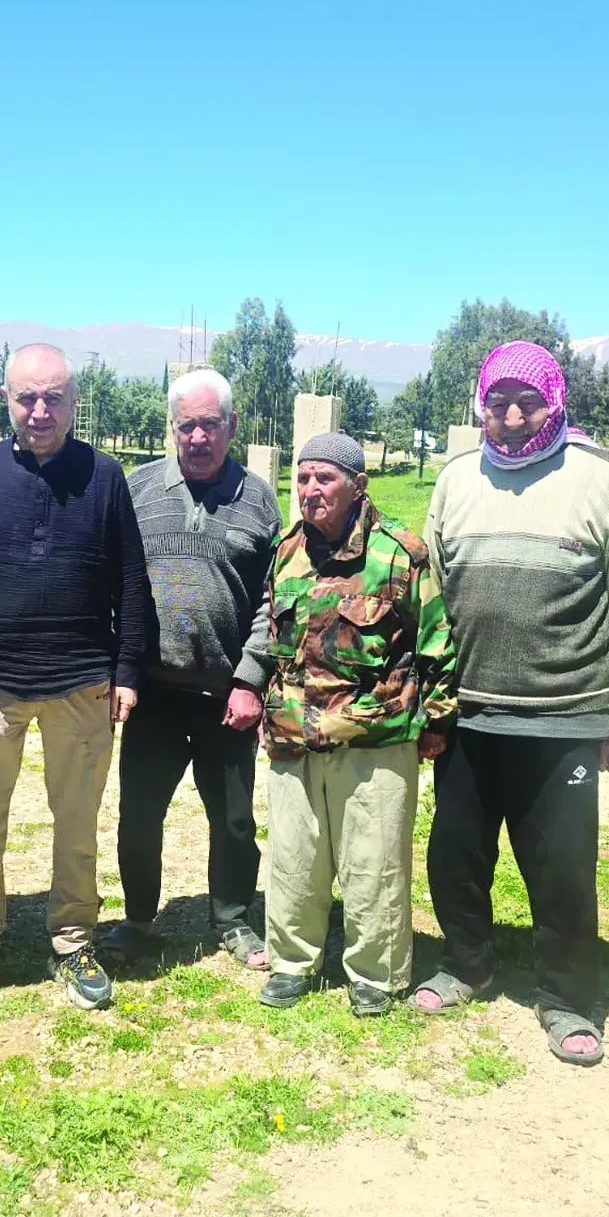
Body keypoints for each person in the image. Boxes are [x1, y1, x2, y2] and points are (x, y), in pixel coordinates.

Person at [411, 340, 609, 1068]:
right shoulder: (456, 478)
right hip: (468, 708)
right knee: (455, 854)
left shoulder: (600, 476)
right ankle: (466, 964)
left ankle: (570, 1000)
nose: (512, 417)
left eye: (527, 402)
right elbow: (431, 592)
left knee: (561, 865)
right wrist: (426, 698)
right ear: (480, 405)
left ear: (555, 403)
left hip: (565, 711)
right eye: (497, 401)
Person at [0, 343, 151, 1018]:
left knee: (76, 825)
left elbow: (131, 584)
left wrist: (127, 671)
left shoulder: (105, 476)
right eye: (27, 397)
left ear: (74, 401)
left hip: (80, 685)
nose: (40, 410)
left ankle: (74, 939)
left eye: (53, 397)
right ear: (6, 401)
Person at [259, 433, 456, 1015]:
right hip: (294, 734)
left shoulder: (400, 552)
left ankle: (376, 973)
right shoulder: (287, 548)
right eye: (302, 479)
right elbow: (274, 637)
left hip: (375, 734)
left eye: (325, 479)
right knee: (296, 858)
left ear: (358, 485)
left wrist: (438, 720)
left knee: (373, 862)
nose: (310, 491)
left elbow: (435, 640)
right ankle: (292, 962)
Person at [109, 367, 279, 969]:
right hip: (154, 690)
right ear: (172, 428)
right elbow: (117, 582)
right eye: (188, 426)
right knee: (139, 814)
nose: (199, 437)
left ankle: (232, 918)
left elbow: (271, 598)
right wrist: (121, 668)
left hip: (225, 695)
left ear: (232, 426)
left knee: (233, 820)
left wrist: (251, 678)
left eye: (211, 424)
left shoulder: (258, 496)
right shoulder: (137, 488)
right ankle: (138, 919)